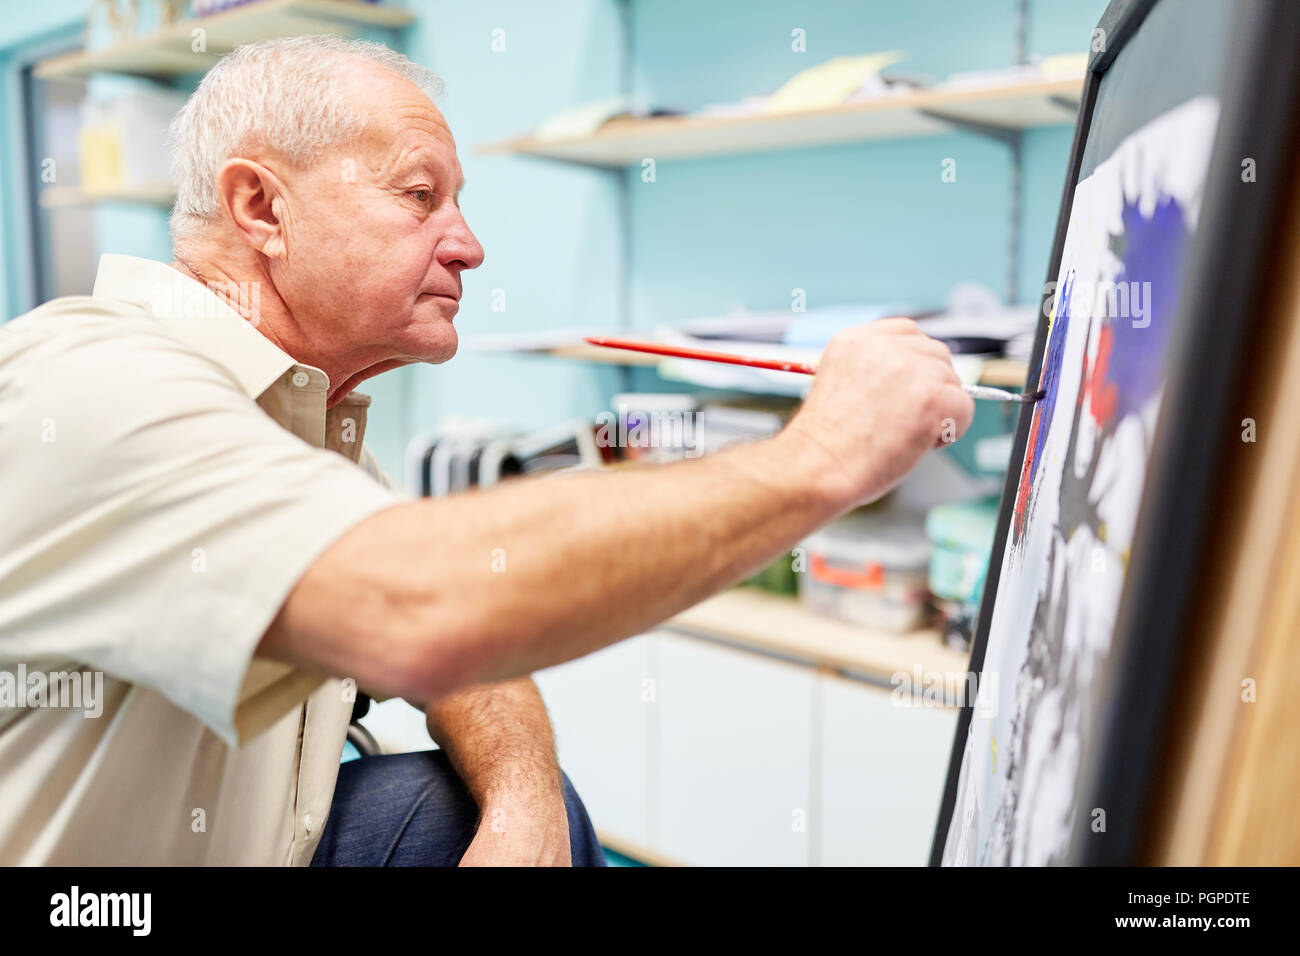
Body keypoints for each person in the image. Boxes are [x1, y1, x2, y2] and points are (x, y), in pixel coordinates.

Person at [0, 36, 973, 866]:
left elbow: (465, 651)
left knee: (452, 803)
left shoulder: (298, 424)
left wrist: (523, 795)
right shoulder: (99, 383)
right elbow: (423, 606)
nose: (467, 245)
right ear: (260, 207)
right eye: (419, 195)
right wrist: (825, 452)